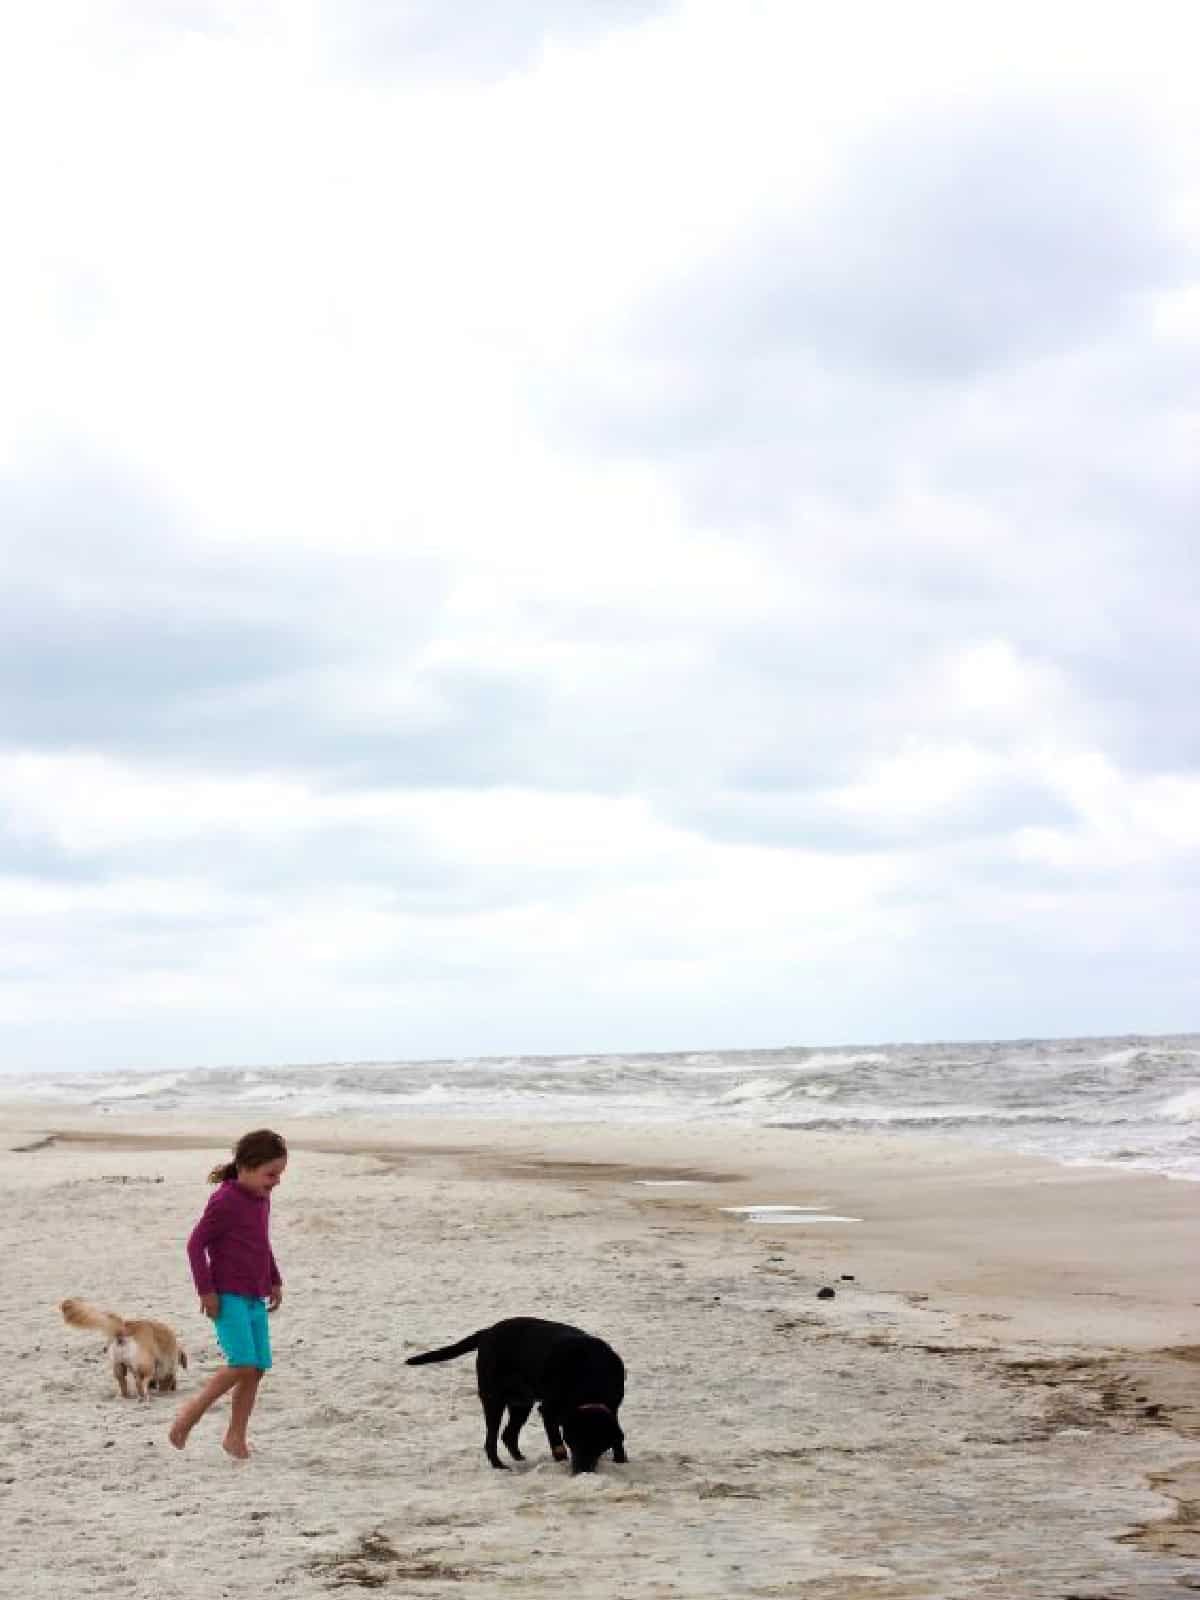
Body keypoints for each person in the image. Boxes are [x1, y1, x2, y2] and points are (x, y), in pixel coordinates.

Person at [168, 1128, 287, 1459]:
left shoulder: (261, 1199)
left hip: (254, 1295)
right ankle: (189, 1415)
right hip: (227, 1295)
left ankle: (235, 1437)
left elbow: (261, 1243)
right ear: (246, 1167)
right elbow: (195, 1245)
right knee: (242, 1364)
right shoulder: (225, 1200)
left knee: (257, 1368)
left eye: (280, 1174)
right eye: (271, 1174)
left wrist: (274, 1278)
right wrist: (206, 1291)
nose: (277, 1181)